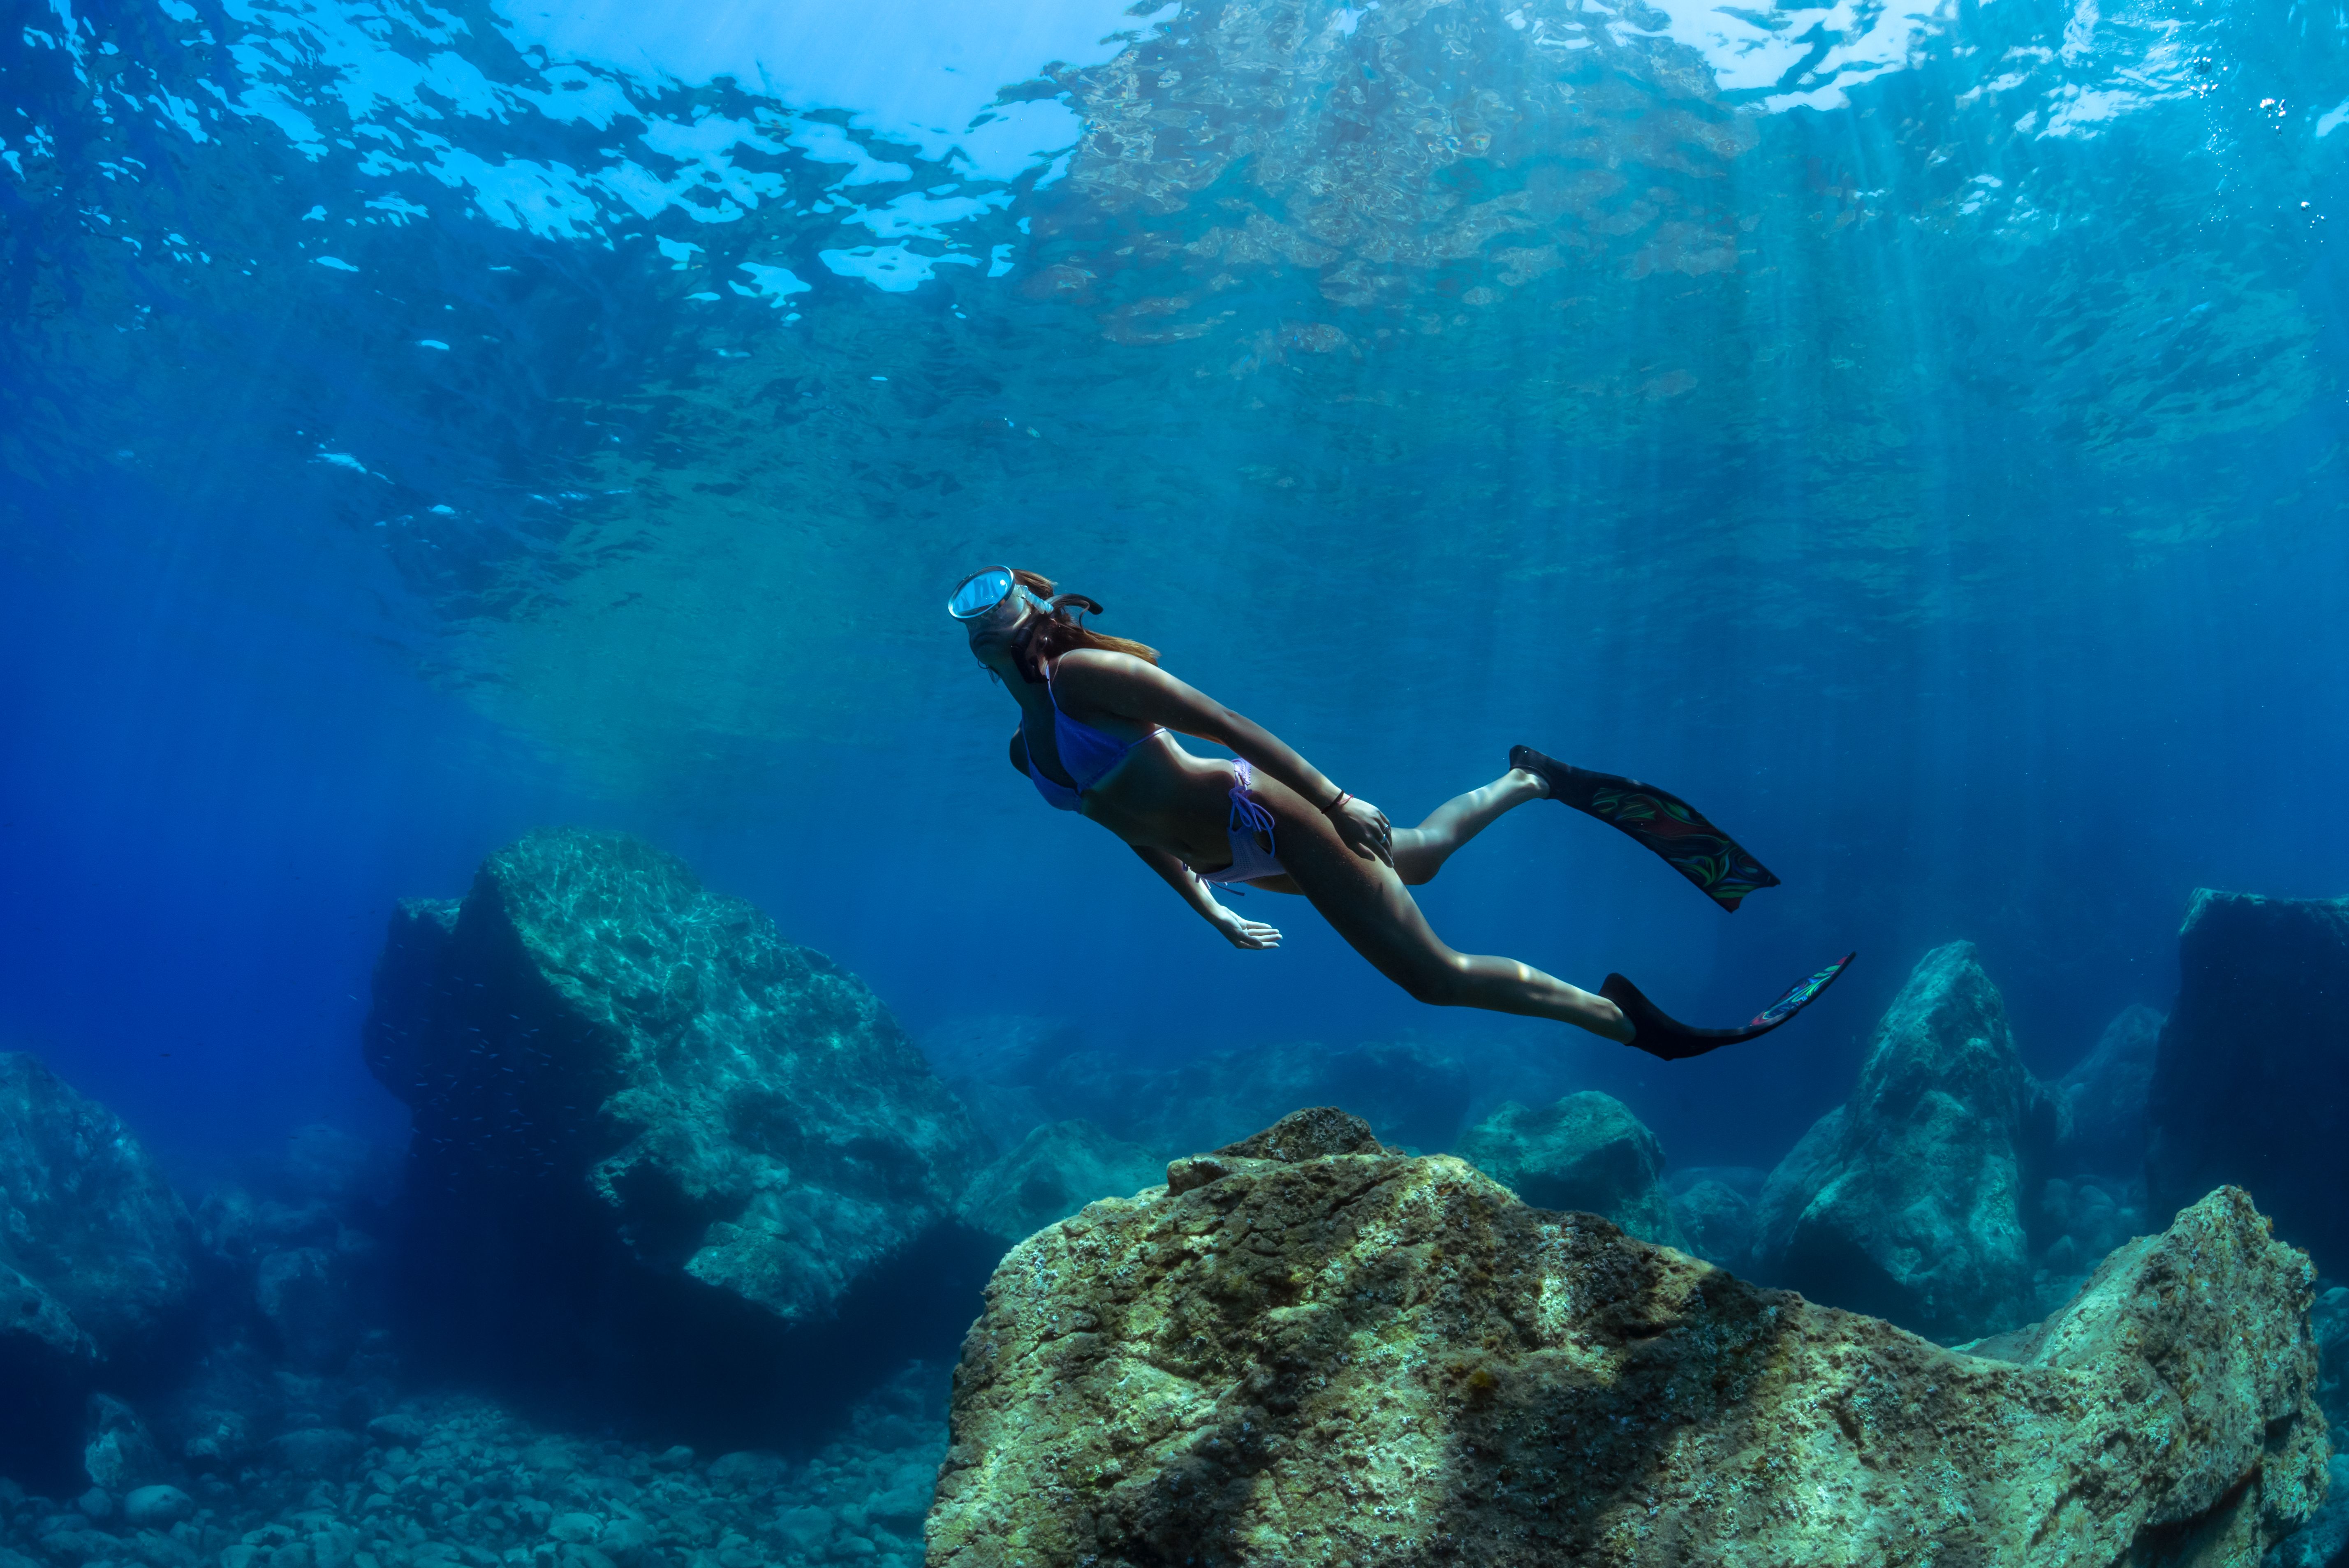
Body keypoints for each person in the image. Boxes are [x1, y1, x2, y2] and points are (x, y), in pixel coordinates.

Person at [949, 566, 1849, 1060]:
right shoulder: (1029, 754)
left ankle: (1624, 1023)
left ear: (1026, 615)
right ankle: (1526, 781)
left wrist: (1335, 800)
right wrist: (1212, 907)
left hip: (1272, 820)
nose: (980, 613)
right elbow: (1134, 833)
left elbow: (1226, 724)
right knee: (1415, 855)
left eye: (991, 598)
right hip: (1236, 863)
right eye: (968, 611)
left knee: (1433, 974)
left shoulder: (1086, 679)